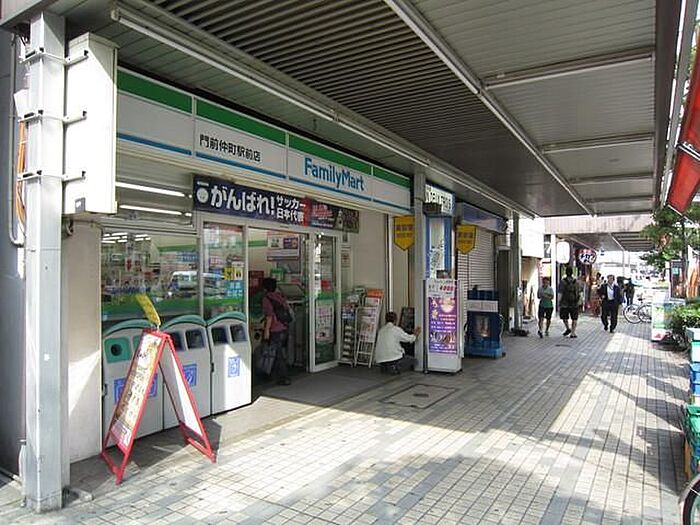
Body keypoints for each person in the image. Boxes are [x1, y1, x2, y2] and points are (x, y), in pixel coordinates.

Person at [262, 277, 292, 386]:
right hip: (284, 327)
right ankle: (276, 375)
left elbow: (269, 317)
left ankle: (283, 378)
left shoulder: (266, 299)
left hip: (275, 329)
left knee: (276, 354)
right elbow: (288, 309)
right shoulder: (280, 296)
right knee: (280, 353)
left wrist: (266, 331)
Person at [558, 266, 581, 338]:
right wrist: (579, 301)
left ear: (566, 273)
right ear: (572, 273)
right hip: (574, 303)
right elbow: (579, 292)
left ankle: (568, 328)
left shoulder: (563, 282)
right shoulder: (576, 282)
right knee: (574, 318)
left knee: (564, 317)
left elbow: (560, 293)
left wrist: (559, 302)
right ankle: (573, 333)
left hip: (565, 303)